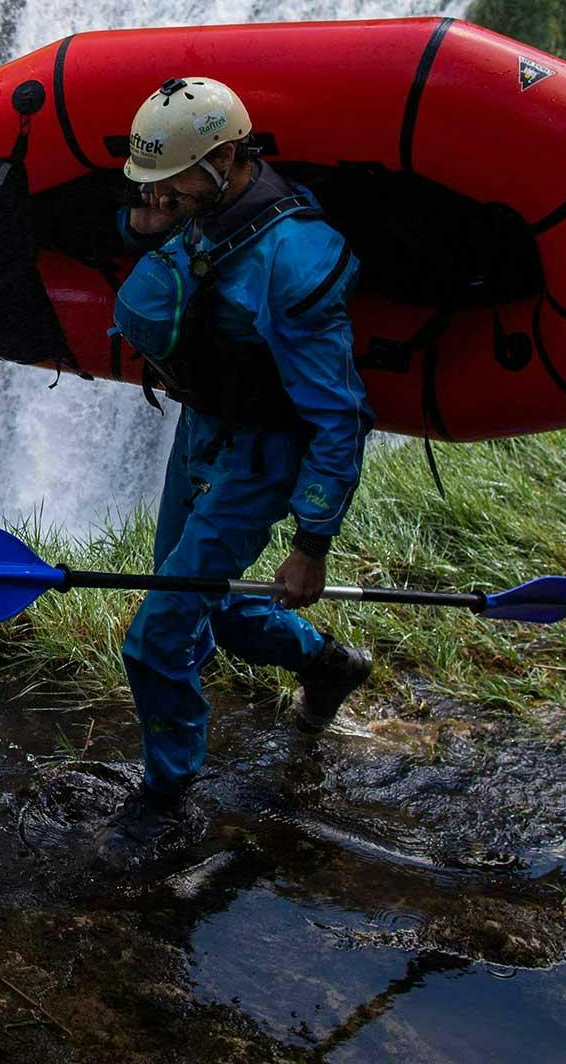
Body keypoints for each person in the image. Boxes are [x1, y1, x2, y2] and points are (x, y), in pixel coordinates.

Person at [100, 75, 375, 860]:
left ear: (224, 158)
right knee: (206, 605)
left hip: (260, 454)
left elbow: (338, 414)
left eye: (169, 184)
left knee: (156, 636)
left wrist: (311, 542)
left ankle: (168, 791)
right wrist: (148, 217)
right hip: (204, 434)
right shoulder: (205, 205)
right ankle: (327, 664)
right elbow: (178, 240)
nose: (157, 198)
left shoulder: (294, 261)